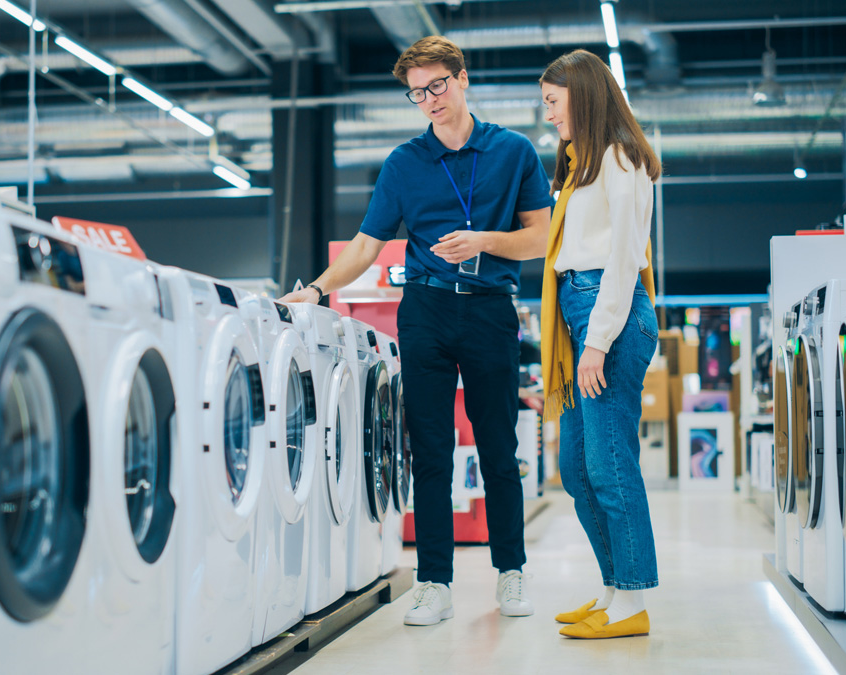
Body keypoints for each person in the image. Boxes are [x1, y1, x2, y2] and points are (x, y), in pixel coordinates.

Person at [280, 35, 554, 626]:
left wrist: (484, 241)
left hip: (489, 307)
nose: (429, 99)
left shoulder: (513, 151)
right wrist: (318, 289)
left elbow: (542, 236)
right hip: (424, 312)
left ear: (461, 77)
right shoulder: (405, 163)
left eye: (437, 85)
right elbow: (364, 246)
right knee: (428, 450)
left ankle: (511, 573)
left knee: (498, 448)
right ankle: (434, 581)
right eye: (416, 92)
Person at [537, 49, 662, 639]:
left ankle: (633, 602)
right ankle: (613, 589)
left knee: (610, 466)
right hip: (581, 313)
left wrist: (596, 341)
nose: (550, 117)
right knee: (577, 467)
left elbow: (621, 260)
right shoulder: (579, 163)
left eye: (554, 104)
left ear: (582, 97)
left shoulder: (620, 157)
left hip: (607, 317)